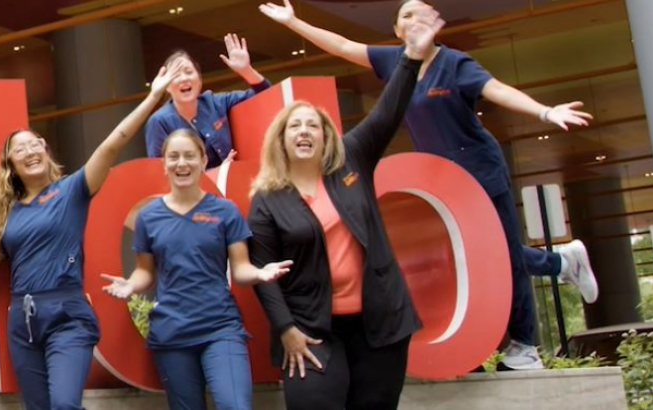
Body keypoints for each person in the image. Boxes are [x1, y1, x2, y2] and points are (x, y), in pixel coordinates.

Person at [260, 0, 598, 370]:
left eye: (422, 13)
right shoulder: (394, 61)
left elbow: (496, 88)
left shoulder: (454, 63)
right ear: (397, 30)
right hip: (440, 180)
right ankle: (561, 262)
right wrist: (294, 22)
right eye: (406, 14)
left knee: (502, 253)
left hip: (479, 169)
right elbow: (342, 46)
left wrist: (545, 111)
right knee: (471, 253)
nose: (414, 19)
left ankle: (526, 343)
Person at [0, 59, 193, 410]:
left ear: (45, 150)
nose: (30, 151)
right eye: (20, 149)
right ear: (11, 166)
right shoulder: (6, 214)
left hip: (68, 316)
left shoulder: (72, 190)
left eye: (35, 144)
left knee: (64, 404)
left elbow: (111, 144)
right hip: (23, 323)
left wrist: (152, 98)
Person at [248, 10, 438, 410]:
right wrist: (285, 329)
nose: (304, 132)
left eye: (312, 126)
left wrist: (411, 58)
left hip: (379, 325)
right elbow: (264, 275)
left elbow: (388, 111)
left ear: (326, 136)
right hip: (312, 331)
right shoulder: (266, 198)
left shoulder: (352, 158)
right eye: (294, 126)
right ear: (280, 140)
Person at [99, 130, 293, 410]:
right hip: (171, 334)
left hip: (220, 327)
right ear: (163, 164)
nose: (182, 163)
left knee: (235, 405)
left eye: (190, 156)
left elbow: (240, 270)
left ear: (203, 160)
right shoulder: (149, 218)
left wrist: (260, 273)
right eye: (174, 157)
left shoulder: (226, 211)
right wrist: (130, 285)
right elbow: (145, 272)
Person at [143, 35, 273, 169]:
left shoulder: (216, 102)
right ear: (167, 87)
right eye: (175, 75)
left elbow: (266, 94)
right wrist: (218, 172)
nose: (183, 79)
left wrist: (246, 70)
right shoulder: (159, 122)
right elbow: (160, 173)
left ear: (199, 80)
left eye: (188, 72)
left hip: (233, 183)